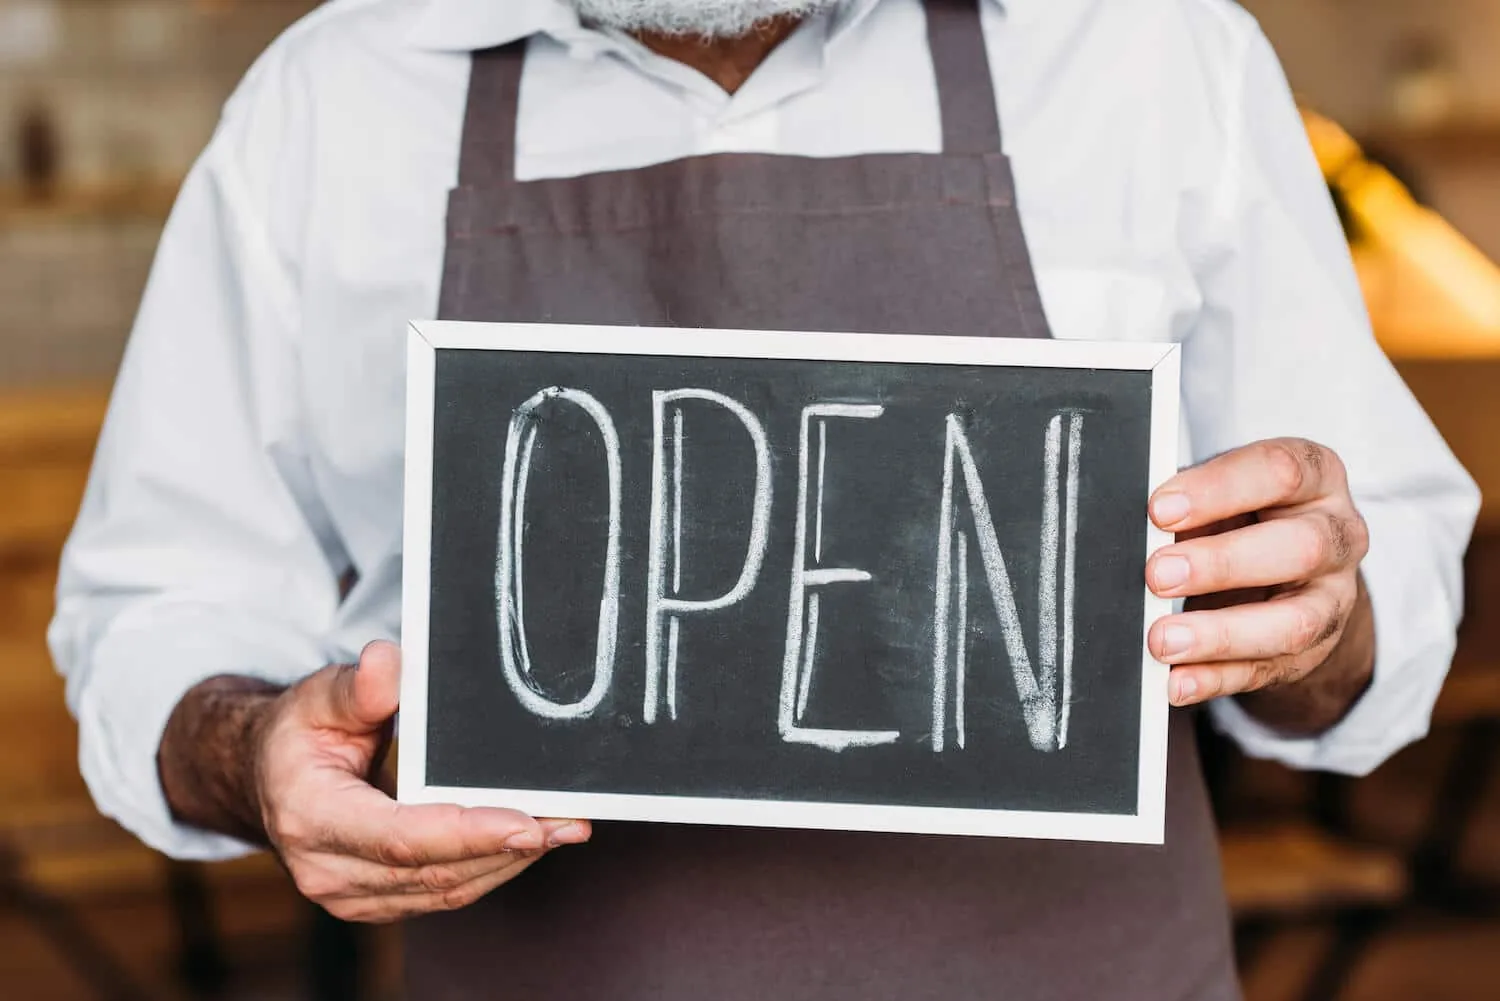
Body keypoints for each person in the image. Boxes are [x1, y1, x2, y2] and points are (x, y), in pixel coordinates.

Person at [50, 1, 1477, 998]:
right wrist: (254, 756)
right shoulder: (331, 101)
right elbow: (159, 612)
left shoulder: (1154, 52)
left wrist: (1314, 615)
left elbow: (1369, 616)